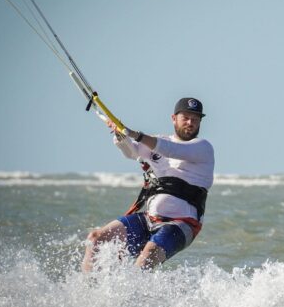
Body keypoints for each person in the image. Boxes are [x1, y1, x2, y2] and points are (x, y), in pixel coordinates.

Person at [81, 97, 215, 271]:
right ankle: (89, 293)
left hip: (182, 224)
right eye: (186, 118)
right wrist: (121, 136)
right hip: (148, 219)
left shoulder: (202, 147)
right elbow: (132, 152)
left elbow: (171, 149)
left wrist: (136, 134)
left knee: (147, 256)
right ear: (174, 118)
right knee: (95, 239)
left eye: (195, 119)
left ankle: (129, 297)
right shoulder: (156, 141)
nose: (190, 122)